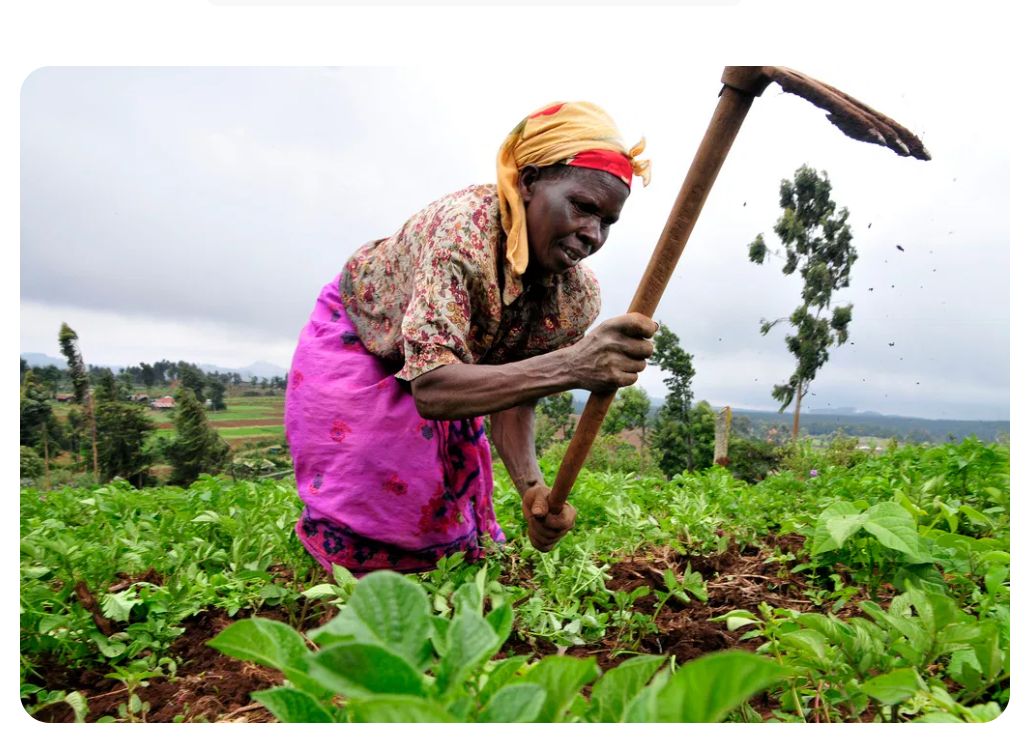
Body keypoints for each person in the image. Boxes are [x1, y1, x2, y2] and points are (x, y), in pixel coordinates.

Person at [285, 101, 658, 576]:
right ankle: (345, 584)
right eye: (582, 207)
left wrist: (532, 490)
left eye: (607, 221)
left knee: (444, 521)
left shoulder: (575, 298)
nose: (593, 234)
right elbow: (433, 388)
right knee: (374, 478)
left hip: (451, 360)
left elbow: (515, 395)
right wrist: (572, 365)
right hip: (366, 332)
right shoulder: (463, 235)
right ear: (528, 182)